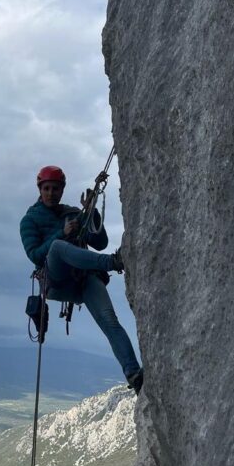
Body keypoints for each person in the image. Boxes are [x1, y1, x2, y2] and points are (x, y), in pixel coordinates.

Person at [19, 164, 143, 394]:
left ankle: (134, 374)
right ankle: (113, 263)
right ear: (40, 189)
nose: (51, 193)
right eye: (46, 188)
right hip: (56, 280)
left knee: (110, 321)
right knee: (57, 247)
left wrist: (90, 212)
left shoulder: (72, 214)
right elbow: (35, 255)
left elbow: (100, 243)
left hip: (83, 279)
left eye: (55, 188)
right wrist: (62, 233)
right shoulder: (30, 220)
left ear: (62, 189)